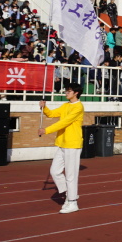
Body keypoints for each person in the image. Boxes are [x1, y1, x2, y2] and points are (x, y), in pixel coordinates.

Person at [39, 83, 85, 214]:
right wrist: (44, 108)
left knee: (71, 175)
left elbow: (64, 122)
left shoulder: (78, 107)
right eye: (66, 91)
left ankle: (72, 202)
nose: (66, 93)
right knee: (55, 171)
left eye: (68, 91)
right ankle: (69, 194)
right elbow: (52, 114)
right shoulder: (65, 105)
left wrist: (46, 130)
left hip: (73, 144)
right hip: (62, 143)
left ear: (76, 93)